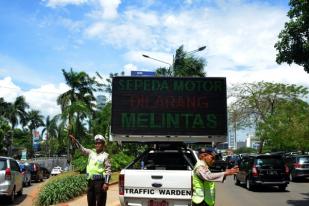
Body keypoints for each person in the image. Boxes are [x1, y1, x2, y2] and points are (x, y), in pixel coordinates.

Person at [69, 134, 111, 206]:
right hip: (90, 182)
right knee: (91, 202)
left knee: (100, 203)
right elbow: (82, 149)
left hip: (100, 183)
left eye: (99, 143)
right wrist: (75, 142)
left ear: (103, 145)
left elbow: (108, 170)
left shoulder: (105, 155)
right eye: (96, 143)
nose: (97, 145)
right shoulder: (91, 152)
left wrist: (106, 183)